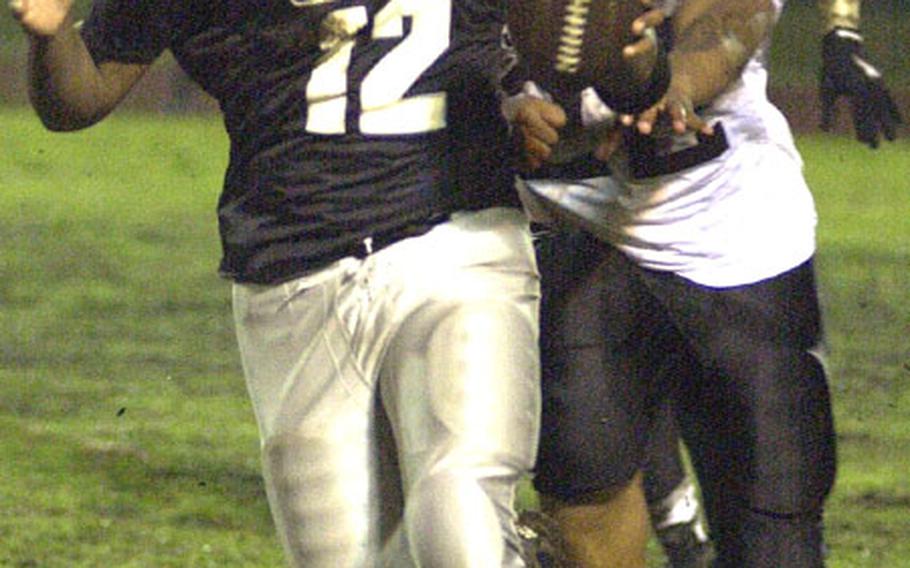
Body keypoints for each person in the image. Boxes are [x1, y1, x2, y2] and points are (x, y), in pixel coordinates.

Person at [11, 1, 545, 565]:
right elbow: (81, 97)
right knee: (344, 556)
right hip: (292, 268)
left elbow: (560, 32)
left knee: (460, 507)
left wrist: (534, 95)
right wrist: (50, 37)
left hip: (455, 240)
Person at [511, 0, 838, 566]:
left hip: (733, 233)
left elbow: (735, 15)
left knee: (774, 525)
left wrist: (674, 83)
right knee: (584, 499)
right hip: (571, 227)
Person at [817, 0, 903, 148]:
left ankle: (889, 129)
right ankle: (872, 135)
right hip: (837, 42)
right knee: (859, 86)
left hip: (854, 44)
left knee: (875, 81)